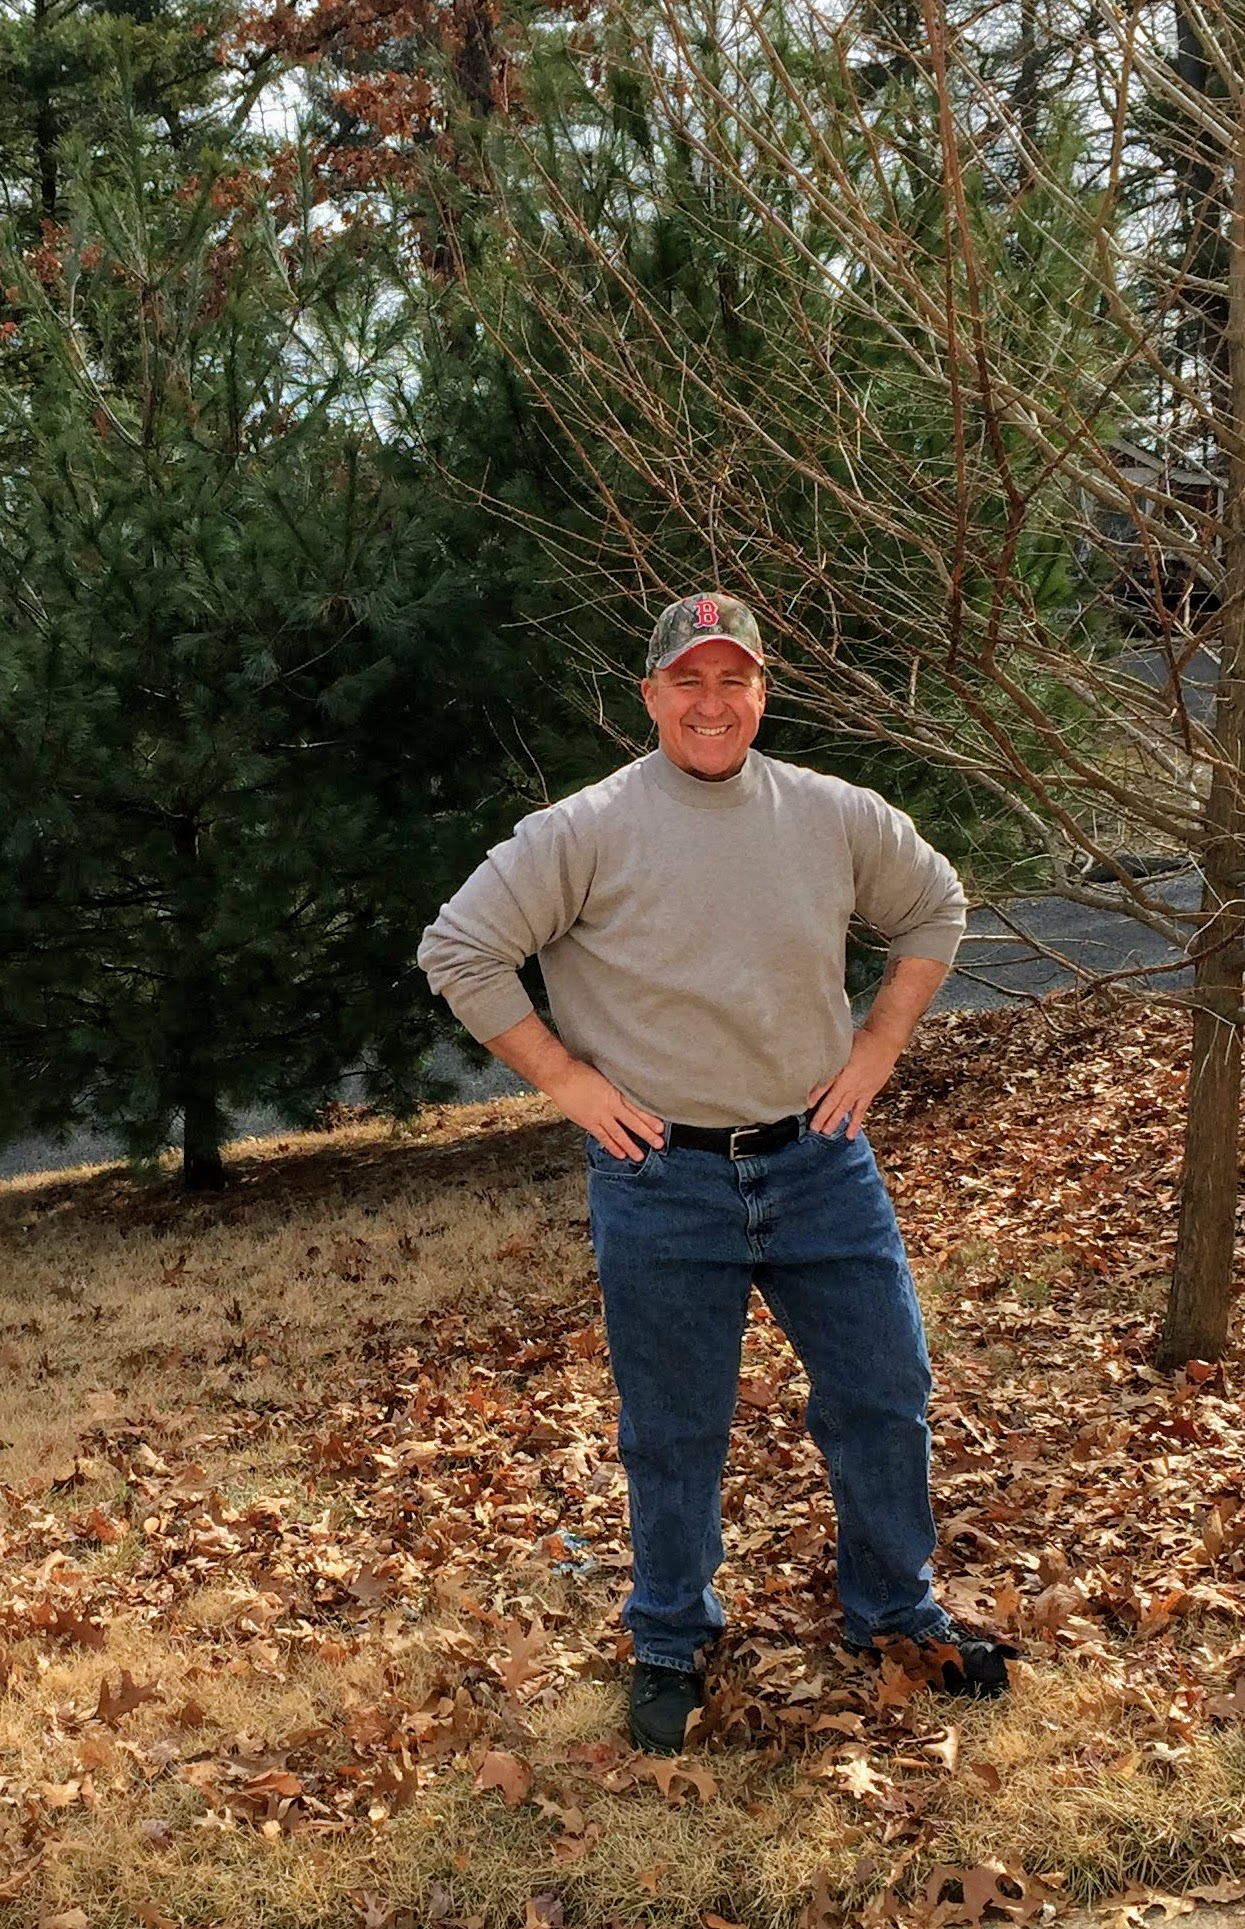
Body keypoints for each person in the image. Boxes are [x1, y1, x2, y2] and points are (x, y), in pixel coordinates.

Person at [417, 592, 1013, 1754]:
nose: (710, 702)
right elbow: (461, 948)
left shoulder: (831, 815)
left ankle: (896, 1613)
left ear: (760, 693)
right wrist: (567, 1081)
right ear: (651, 696)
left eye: (732, 679)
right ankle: (670, 1638)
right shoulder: (584, 830)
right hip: (662, 1180)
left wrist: (879, 1047)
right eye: (687, 680)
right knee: (674, 1428)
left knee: (884, 1394)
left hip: (821, 1164)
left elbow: (934, 907)